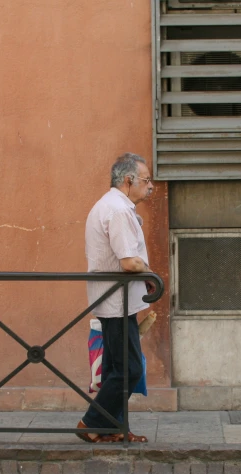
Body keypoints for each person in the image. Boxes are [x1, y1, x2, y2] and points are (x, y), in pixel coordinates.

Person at [76, 152, 155, 443]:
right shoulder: (119, 210)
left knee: (114, 368)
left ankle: (112, 428)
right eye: (146, 180)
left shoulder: (108, 205)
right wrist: (152, 275)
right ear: (128, 180)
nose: (150, 187)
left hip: (113, 300)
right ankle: (91, 422)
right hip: (117, 301)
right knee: (129, 369)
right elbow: (129, 261)